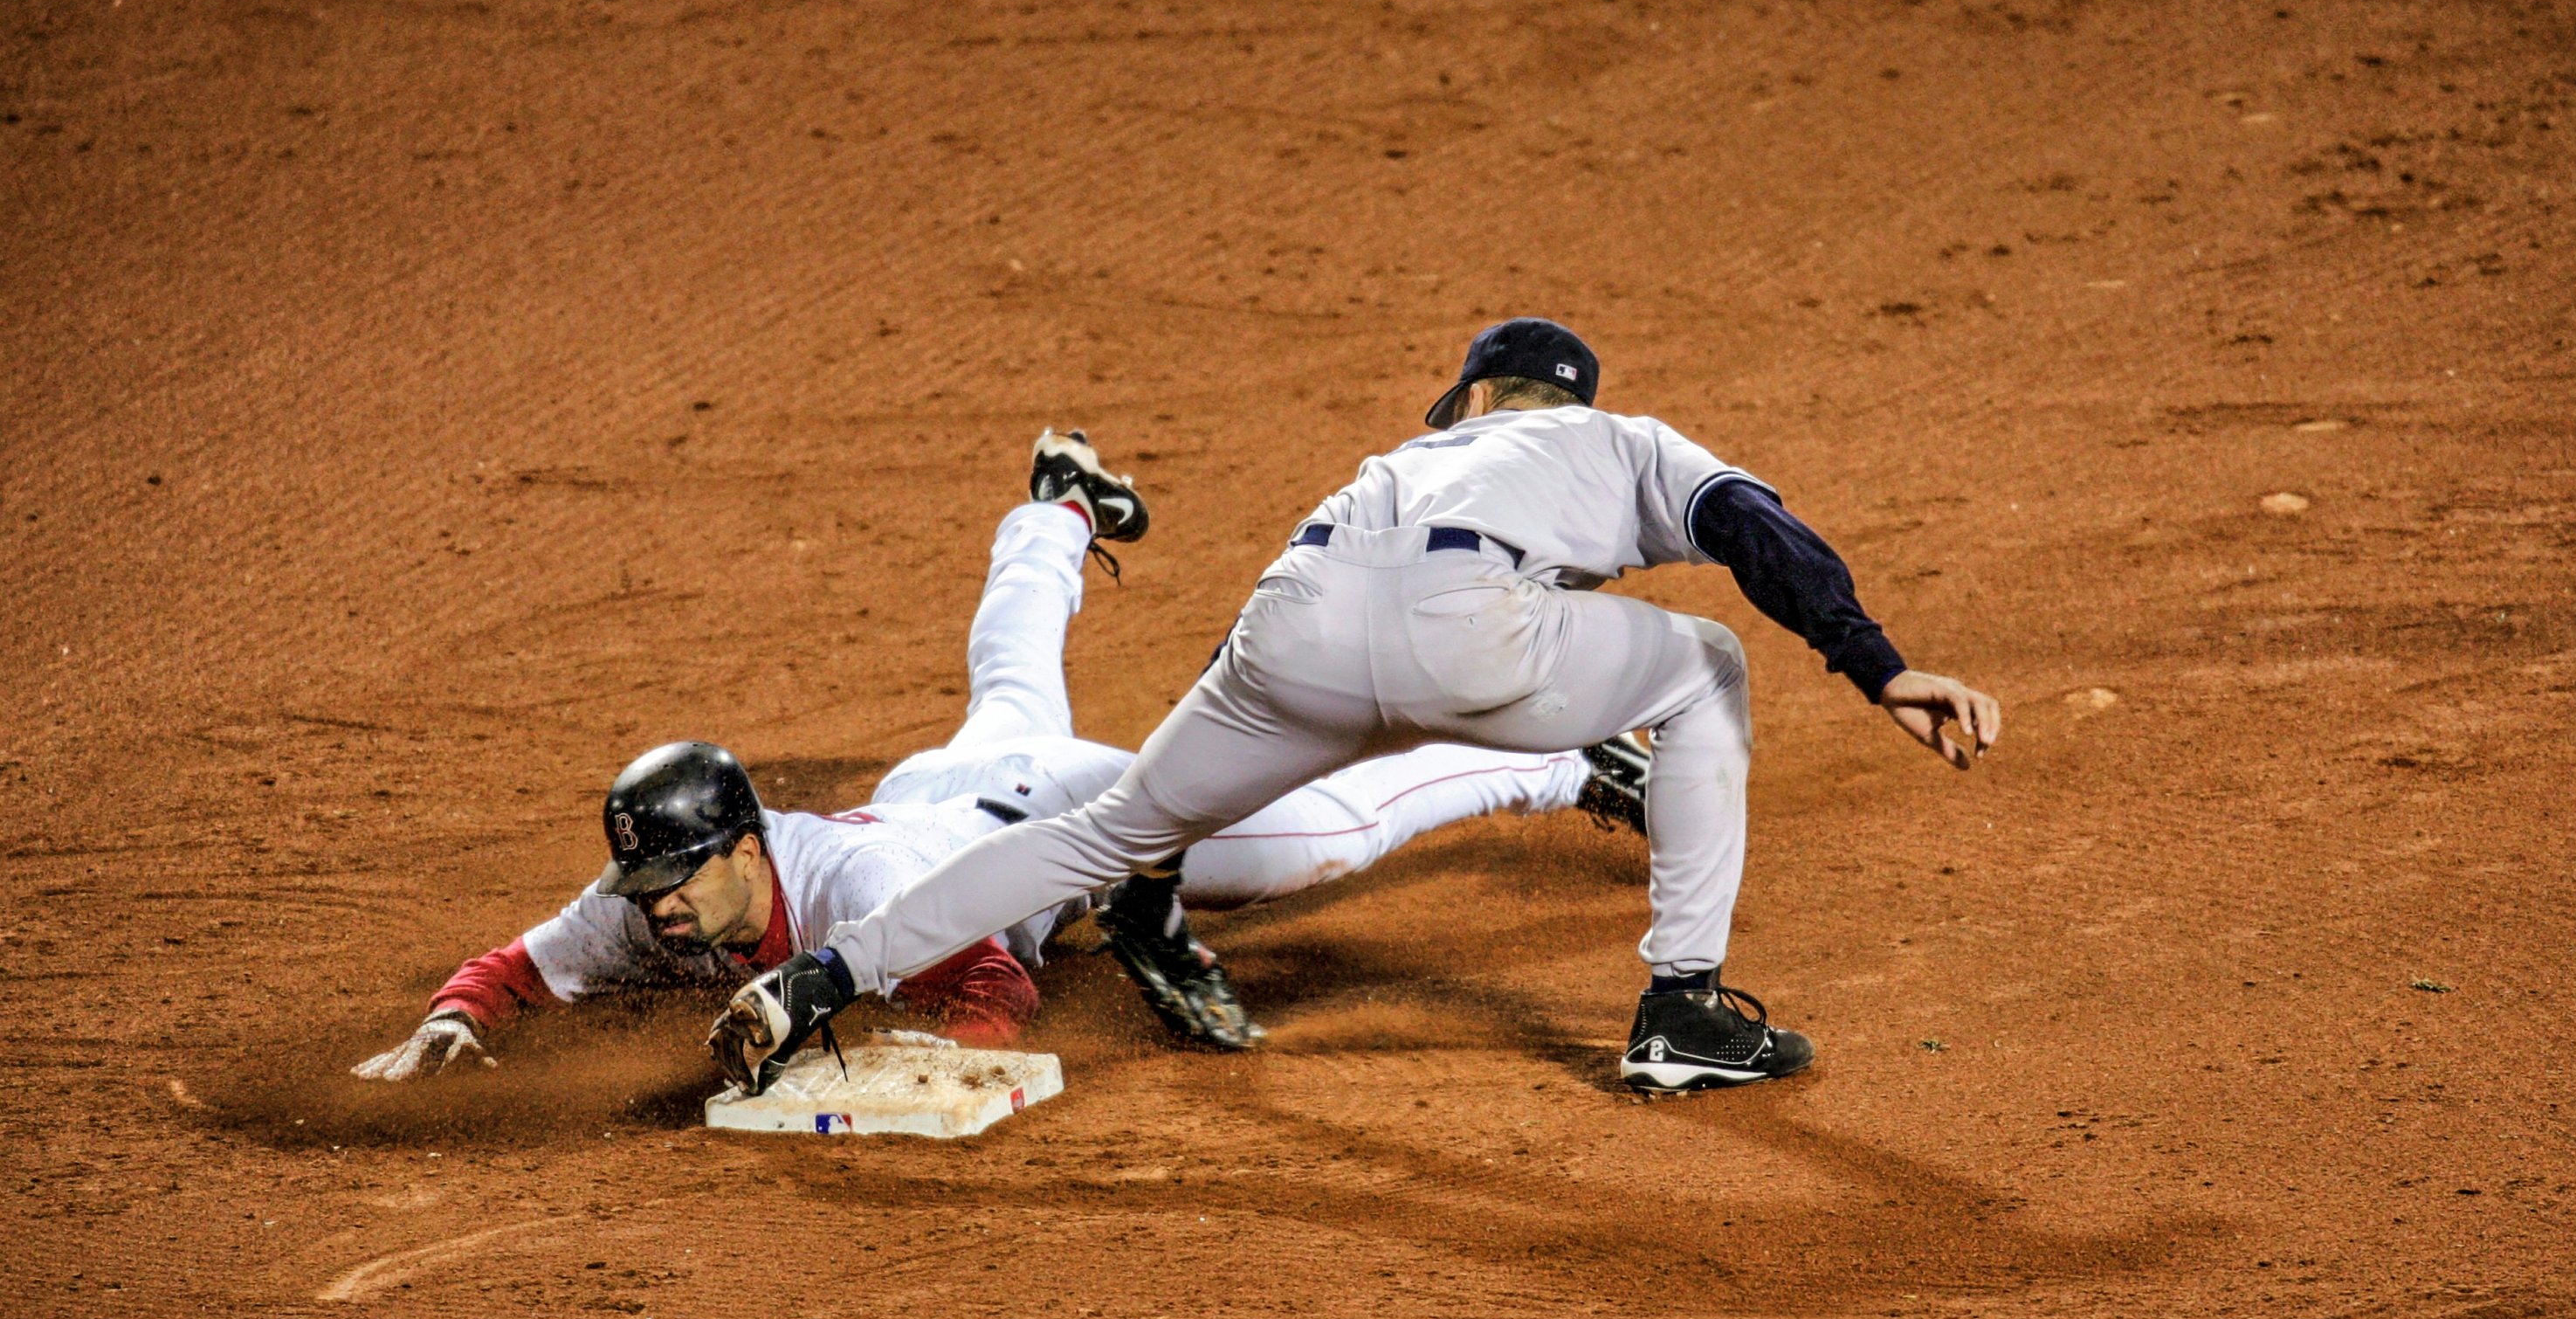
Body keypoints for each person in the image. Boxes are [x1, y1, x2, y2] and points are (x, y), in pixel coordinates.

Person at [713, 320, 2001, 1097]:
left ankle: (823, 978)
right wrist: (1873, 663)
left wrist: (1160, 848)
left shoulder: (1403, 456)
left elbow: (1250, 635)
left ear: (1478, 400)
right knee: (1707, 664)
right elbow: (1751, 528)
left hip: (1293, 631)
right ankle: (1683, 1009)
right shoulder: (1625, 442)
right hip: (1476, 634)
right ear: (1572, 404)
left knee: (1099, 829)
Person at [353, 430, 1648, 1081]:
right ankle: (1063, 509)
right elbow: (525, 963)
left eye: (678, 883)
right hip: (950, 793)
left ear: (742, 848)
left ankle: (1563, 757)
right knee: (1011, 688)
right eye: (650, 893)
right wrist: (455, 1023)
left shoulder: (862, 901)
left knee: (1311, 841)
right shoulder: (662, 898)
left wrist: (924, 1069)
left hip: (1077, 819)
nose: (662, 908)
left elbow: (993, 994)